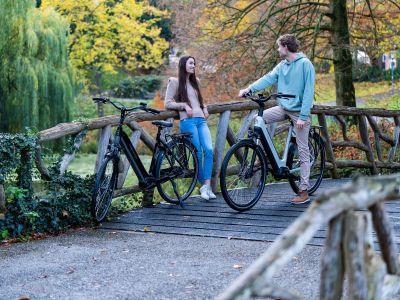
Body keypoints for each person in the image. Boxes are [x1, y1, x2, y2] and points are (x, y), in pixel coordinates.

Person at [239, 34, 315, 205]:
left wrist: (303, 116)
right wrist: (249, 89)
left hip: (299, 113)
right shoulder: (282, 65)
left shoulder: (305, 64)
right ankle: (265, 157)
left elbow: (309, 91)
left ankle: (303, 190)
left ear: (286, 47)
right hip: (283, 107)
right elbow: (267, 78)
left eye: (279, 47)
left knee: (303, 151)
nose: (278, 49)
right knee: (259, 119)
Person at [164, 55, 216, 200]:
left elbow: (199, 100)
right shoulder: (174, 82)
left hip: (201, 121)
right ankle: (204, 187)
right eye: (191, 63)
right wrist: (184, 105)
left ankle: (206, 185)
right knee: (197, 153)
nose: (194, 66)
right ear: (183, 65)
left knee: (209, 150)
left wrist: (204, 107)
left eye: (194, 63)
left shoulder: (195, 82)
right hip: (188, 122)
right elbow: (167, 103)